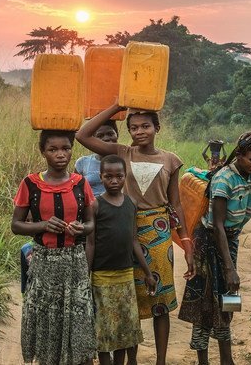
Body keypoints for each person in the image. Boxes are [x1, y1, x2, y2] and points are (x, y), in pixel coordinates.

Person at [76, 104, 195, 365]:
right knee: (128, 299)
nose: (139, 132)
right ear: (127, 131)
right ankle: (131, 359)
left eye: (145, 126)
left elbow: (176, 204)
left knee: (160, 300)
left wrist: (186, 242)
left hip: (159, 231)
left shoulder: (170, 160)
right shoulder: (122, 152)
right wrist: (117, 106)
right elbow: (82, 135)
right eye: (133, 127)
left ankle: (161, 360)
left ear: (157, 128)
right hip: (124, 229)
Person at [178, 131, 251, 365]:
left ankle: (227, 359)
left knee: (227, 300)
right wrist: (229, 268)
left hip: (229, 243)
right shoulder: (224, 179)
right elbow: (217, 226)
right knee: (203, 305)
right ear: (238, 155)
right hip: (207, 243)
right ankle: (204, 360)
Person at [11, 129, 97, 365]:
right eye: (53, 149)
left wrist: (82, 229)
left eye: (66, 148)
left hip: (74, 261)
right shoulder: (30, 184)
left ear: (72, 150)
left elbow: (91, 223)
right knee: (47, 319)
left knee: (77, 320)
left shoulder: (80, 183)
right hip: (44, 262)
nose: (60, 154)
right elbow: (16, 225)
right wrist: (43, 225)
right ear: (43, 152)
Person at [86, 154, 157, 365]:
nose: (114, 181)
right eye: (108, 176)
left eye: (119, 176)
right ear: (101, 177)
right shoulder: (95, 206)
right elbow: (90, 243)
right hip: (101, 276)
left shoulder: (131, 203)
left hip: (125, 275)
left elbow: (134, 240)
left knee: (125, 328)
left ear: (125, 176)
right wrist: (86, 275)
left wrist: (147, 272)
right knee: (105, 328)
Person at [75, 119, 119, 196]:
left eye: (110, 134)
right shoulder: (83, 162)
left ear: (117, 135)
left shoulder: (127, 159)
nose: (106, 138)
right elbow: (76, 190)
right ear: (92, 139)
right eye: (100, 136)